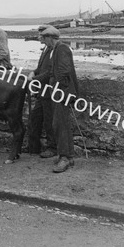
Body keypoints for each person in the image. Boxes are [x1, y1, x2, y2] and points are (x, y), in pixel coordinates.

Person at [41, 26, 79, 173]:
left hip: (63, 93)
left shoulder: (62, 49)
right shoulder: (56, 50)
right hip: (60, 92)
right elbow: (53, 71)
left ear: (51, 37)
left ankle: (64, 158)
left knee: (59, 124)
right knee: (62, 124)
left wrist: (55, 87)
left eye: (45, 39)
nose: (44, 42)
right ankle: (68, 157)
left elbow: (64, 73)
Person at [27, 25, 56, 157]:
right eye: (39, 35)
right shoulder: (45, 49)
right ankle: (33, 147)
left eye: (41, 35)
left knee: (49, 120)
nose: (39, 37)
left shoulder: (54, 50)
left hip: (50, 91)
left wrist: (35, 79)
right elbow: (41, 68)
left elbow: (50, 72)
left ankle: (52, 148)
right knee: (35, 118)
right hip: (42, 92)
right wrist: (33, 72)